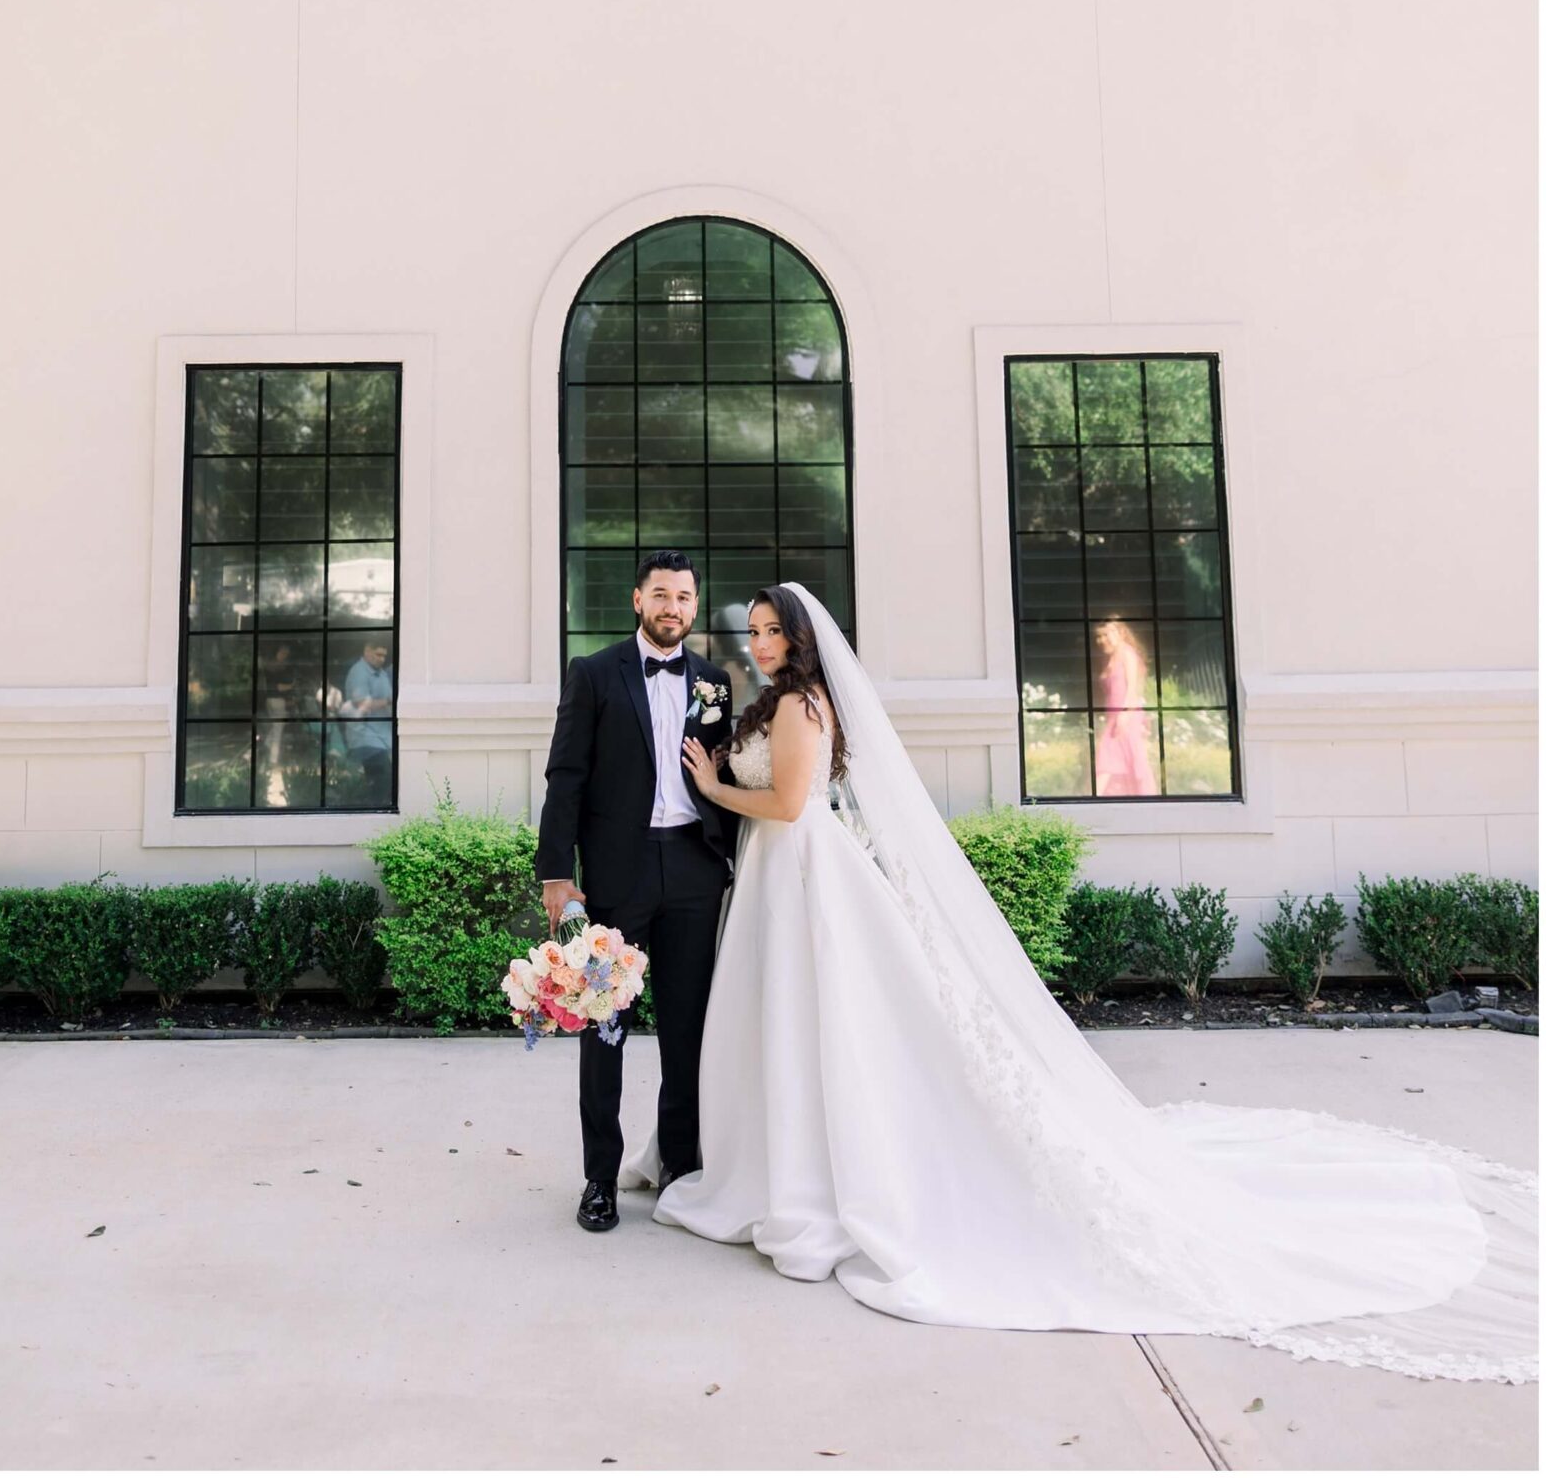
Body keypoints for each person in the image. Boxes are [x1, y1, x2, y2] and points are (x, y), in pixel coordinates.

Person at [642, 582, 1535, 1384]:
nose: (757, 642)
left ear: (800, 640)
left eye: (769, 631)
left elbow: (792, 807)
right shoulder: (777, 700)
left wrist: (717, 790)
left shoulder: (800, 707)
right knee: (795, 1031)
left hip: (806, 880)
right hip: (780, 884)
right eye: (753, 631)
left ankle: (811, 1180)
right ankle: (780, 1161)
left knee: (822, 1027)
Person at [535, 550, 737, 1233]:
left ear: (693, 605)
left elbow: (726, 780)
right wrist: (557, 876)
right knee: (605, 1028)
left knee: (687, 1028)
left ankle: (680, 1168)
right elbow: (565, 776)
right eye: (660, 594)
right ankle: (599, 1179)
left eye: (683, 596)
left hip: (693, 872)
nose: (672, 607)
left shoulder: (713, 681)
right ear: (636, 600)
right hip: (616, 879)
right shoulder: (593, 674)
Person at [1092, 617, 1159, 796]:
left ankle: (1094, 799)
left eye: (1106, 635)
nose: (1102, 640)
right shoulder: (1111, 658)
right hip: (1114, 718)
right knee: (1115, 762)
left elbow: (1132, 687)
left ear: (1120, 632)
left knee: (1119, 761)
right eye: (1099, 637)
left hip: (1126, 716)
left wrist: (1126, 714)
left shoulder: (1127, 654)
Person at [336, 636, 395, 808]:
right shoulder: (359, 673)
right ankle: (372, 815)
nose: (381, 659)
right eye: (378, 655)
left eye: (384, 656)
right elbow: (362, 703)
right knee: (383, 779)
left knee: (382, 782)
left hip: (381, 737)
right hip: (366, 737)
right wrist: (388, 701)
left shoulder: (381, 672)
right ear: (367, 651)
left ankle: (371, 811)